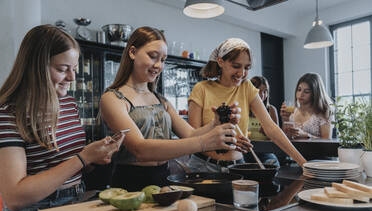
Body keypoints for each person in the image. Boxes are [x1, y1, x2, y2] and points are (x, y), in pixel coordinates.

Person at [0, 25, 123, 211]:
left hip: (75, 204)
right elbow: (15, 197)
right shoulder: (9, 114)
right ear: (35, 67)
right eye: (63, 68)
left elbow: (65, 165)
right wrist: (83, 158)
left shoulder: (68, 104)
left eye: (74, 68)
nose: (72, 77)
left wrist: (96, 158)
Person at [99, 26, 246, 192]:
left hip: (164, 180)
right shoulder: (112, 99)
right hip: (129, 186)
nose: (158, 65)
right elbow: (140, 149)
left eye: (163, 60)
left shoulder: (161, 100)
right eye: (153, 56)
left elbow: (190, 134)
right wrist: (203, 143)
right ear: (132, 52)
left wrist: (215, 123)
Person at [187, 38, 307, 172]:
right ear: (220, 61)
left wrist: (304, 164)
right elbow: (192, 139)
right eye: (236, 66)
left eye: (247, 68)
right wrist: (226, 141)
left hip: (238, 166)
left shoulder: (246, 87)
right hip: (204, 167)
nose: (242, 73)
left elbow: (271, 128)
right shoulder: (202, 89)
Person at [280, 73, 333, 139]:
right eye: (299, 90)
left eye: (306, 92)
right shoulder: (291, 112)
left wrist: (306, 135)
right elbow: (285, 139)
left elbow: (327, 141)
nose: (301, 94)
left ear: (315, 94)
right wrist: (285, 120)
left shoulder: (324, 112)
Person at [245, 76, 280, 166]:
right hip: (245, 151)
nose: (262, 95)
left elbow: (277, 139)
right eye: (258, 91)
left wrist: (268, 134)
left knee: (273, 164)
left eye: (265, 91)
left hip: (265, 152)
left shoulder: (271, 110)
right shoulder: (243, 108)